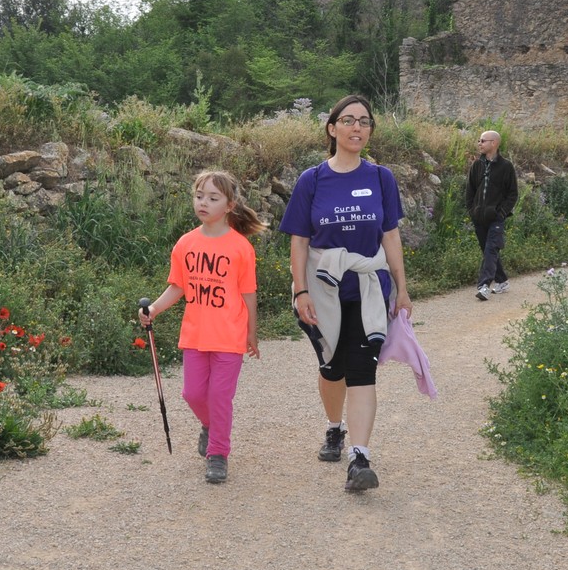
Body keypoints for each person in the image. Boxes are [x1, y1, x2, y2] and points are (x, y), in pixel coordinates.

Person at [281, 94, 412, 494]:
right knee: (332, 367)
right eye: (349, 120)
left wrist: (402, 289)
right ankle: (334, 427)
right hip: (322, 289)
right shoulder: (312, 180)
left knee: (361, 370)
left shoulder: (381, 178)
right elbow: (299, 241)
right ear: (332, 128)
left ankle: (360, 458)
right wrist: (301, 290)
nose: (358, 127)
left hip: (369, 289)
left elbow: (390, 235)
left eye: (365, 121)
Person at [139, 170, 262, 485]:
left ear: (230, 205)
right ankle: (211, 425)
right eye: (199, 196)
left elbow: (248, 294)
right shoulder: (185, 243)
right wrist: (153, 309)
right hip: (195, 334)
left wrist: (251, 332)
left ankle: (218, 453)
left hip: (230, 336)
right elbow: (177, 286)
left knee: (220, 396)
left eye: (212, 198)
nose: (203, 203)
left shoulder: (241, 248)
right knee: (193, 394)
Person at [465, 129, 518, 301]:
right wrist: (472, 211)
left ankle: (484, 286)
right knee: (487, 250)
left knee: (491, 249)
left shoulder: (506, 166)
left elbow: (513, 194)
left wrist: (501, 213)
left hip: (496, 218)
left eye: (483, 141)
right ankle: (502, 281)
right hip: (479, 217)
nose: (479, 143)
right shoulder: (476, 165)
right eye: (479, 140)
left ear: (494, 143)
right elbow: (470, 191)